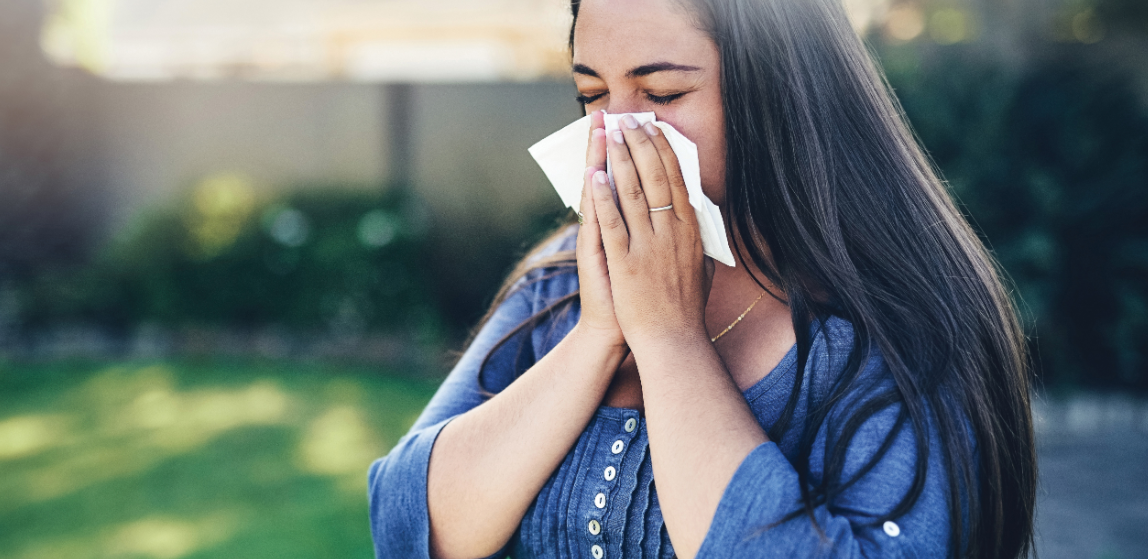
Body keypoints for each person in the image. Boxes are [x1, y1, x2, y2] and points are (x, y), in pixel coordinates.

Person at [368, 0, 1037, 557]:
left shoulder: (899, 336)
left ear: (780, 90)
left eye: (662, 93)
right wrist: (600, 335)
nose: (614, 134)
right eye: (592, 94)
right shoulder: (563, 278)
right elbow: (406, 523)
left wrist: (667, 339)